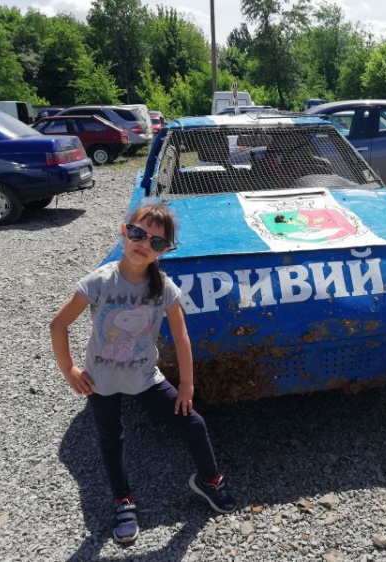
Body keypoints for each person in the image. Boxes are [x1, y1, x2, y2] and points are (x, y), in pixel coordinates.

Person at [50, 202, 237, 544]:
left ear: (164, 251)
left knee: (193, 423)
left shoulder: (163, 287)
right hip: (101, 381)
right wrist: (69, 370)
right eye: (138, 233)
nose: (144, 243)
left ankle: (209, 480)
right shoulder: (99, 281)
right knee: (111, 441)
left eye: (157, 242)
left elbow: (181, 336)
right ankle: (123, 500)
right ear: (124, 232)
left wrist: (186, 385)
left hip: (145, 377)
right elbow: (58, 325)